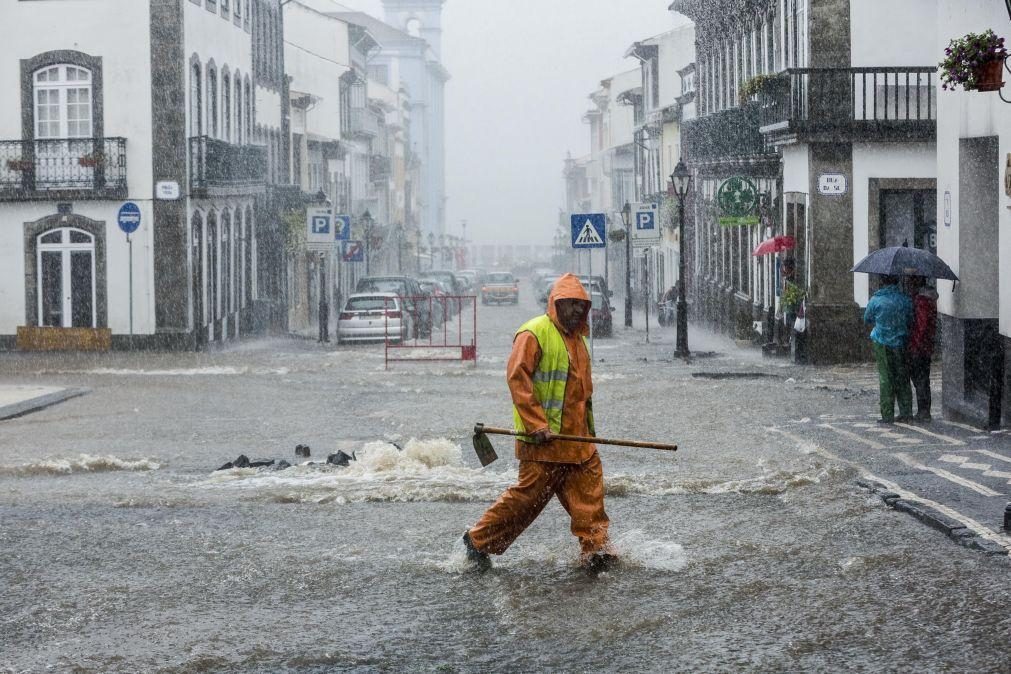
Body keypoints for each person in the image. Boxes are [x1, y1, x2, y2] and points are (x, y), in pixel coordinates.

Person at [462, 273, 616, 574]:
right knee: (526, 502)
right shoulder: (534, 333)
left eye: (579, 305)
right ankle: (477, 542)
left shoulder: (579, 340)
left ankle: (596, 552)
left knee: (590, 499)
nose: (574, 310)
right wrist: (536, 424)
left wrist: (587, 434)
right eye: (569, 304)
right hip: (543, 442)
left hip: (578, 443)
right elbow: (518, 379)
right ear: (555, 303)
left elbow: (581, 392)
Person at [864, 275, 913, 423]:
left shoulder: (875, 301)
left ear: (881, 282)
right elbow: (910, 318)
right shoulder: (904, 300)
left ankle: (887, 414)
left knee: (886, 378)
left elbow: (867, 319)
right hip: (901, 342)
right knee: (903, 377)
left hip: (881, 342)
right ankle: (906, 412)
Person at [906, 276, 938, 421]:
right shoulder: (929, 300)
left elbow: (922, 325)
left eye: (910, 281)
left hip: (919, 346)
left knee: (920, 378)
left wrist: (915, 343)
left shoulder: (921, 301)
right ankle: (924, 410)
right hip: (926, 345)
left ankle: (923, 411)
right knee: (923, 377)